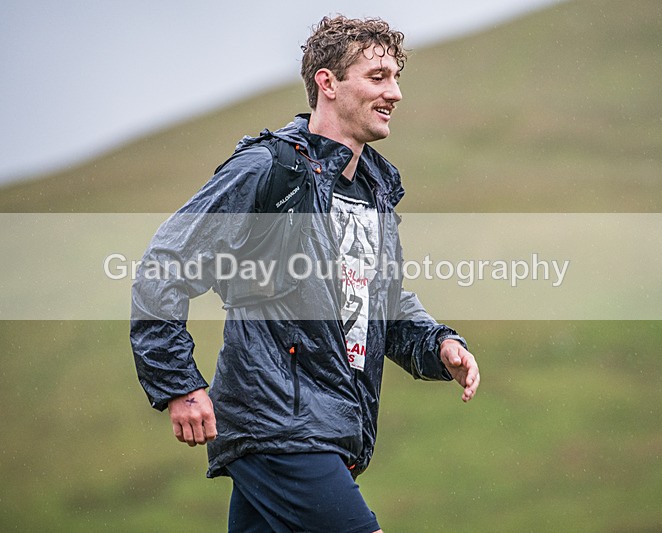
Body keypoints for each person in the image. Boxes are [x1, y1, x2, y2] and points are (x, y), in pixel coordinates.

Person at [131, 15, 480, 532]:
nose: (395, 93)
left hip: (322, 428)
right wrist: (179, 385)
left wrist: (437, 344)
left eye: (396, 77)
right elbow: (165, 265)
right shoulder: (270, 169)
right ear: (327, 83)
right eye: (378, 77)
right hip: (280, 424)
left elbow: (378, 302)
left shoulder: (375, 189)